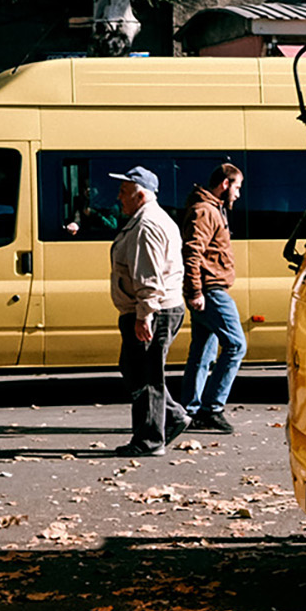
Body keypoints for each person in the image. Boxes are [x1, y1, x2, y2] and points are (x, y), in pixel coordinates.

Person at [108, 166, 187, 457]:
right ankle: (173, 418)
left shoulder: (146, 226)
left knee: (146, 376)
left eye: (124, 192)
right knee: (134, 369)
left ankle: (150, 440)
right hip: (151, 308)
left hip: (153, 310)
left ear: (140, 195)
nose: (119, 198)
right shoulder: (145, 219)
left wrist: (145, 314)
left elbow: (149, 275)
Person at [177, 162, 246, 433]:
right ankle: (212, 408)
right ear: (225, 184)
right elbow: (192, 253)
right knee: (236, 346)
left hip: (207, 289)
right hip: (210, 290)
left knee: (202, 350)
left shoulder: (211, 208)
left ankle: (189, 411)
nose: (239, 194)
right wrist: (194, 291)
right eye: (237, 187)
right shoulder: (205, 210)